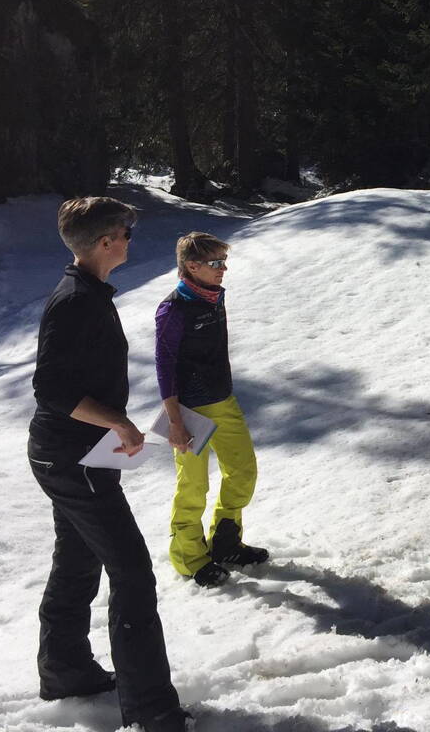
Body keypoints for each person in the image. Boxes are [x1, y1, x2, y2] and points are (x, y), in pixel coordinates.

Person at [29, 197, 189, 732]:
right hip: (72, 458)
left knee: (77, 561)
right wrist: (116, 424)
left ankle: (66, 670)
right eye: (125, 231)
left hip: (71, 455)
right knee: (133, 572)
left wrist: (114, 421)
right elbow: (51, 389)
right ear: (104, 242)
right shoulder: (75, 300)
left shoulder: (90, 293)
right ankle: (151, 711)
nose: (129, 238)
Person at [155, 232, 267, 590]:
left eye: (224, 261)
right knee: (193, 485)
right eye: (216, 263)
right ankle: (190, 558)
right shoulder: (173, 308)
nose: (224, 269)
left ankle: (226, 542)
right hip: (189, 409)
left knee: (243, 471)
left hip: (223, 399)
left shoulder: (213, 296)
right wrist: (174, 420)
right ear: (191, 266)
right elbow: (164, 366)